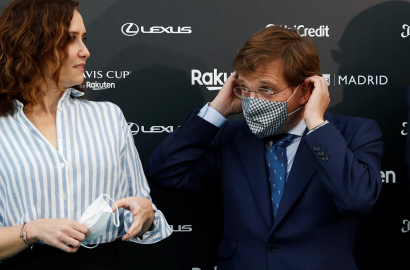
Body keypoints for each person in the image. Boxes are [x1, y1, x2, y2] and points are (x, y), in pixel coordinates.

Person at [0, 0, 171, 268]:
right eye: (70, 39)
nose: (85, 51)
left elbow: (139, 209)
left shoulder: (109, 117)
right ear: (31, 45)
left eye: (84, 38)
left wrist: (146, 213)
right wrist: (31, 230)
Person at [145, 26, 383, 270]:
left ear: (305, 91)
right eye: (246, 88)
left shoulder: (352, 133)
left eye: (266, 89)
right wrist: (216, 110)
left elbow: (357, 200)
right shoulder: (232, 136)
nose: (253, 101)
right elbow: (165, 171)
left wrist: (317, 126)